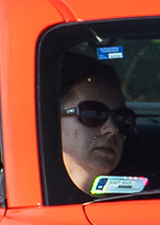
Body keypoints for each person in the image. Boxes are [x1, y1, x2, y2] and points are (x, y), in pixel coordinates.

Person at [57, 58, 134, 196]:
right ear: (52, 122)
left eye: (121, 117)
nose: (113, 129)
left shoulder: (141, 206)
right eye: (93, 114)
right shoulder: (21, 202)